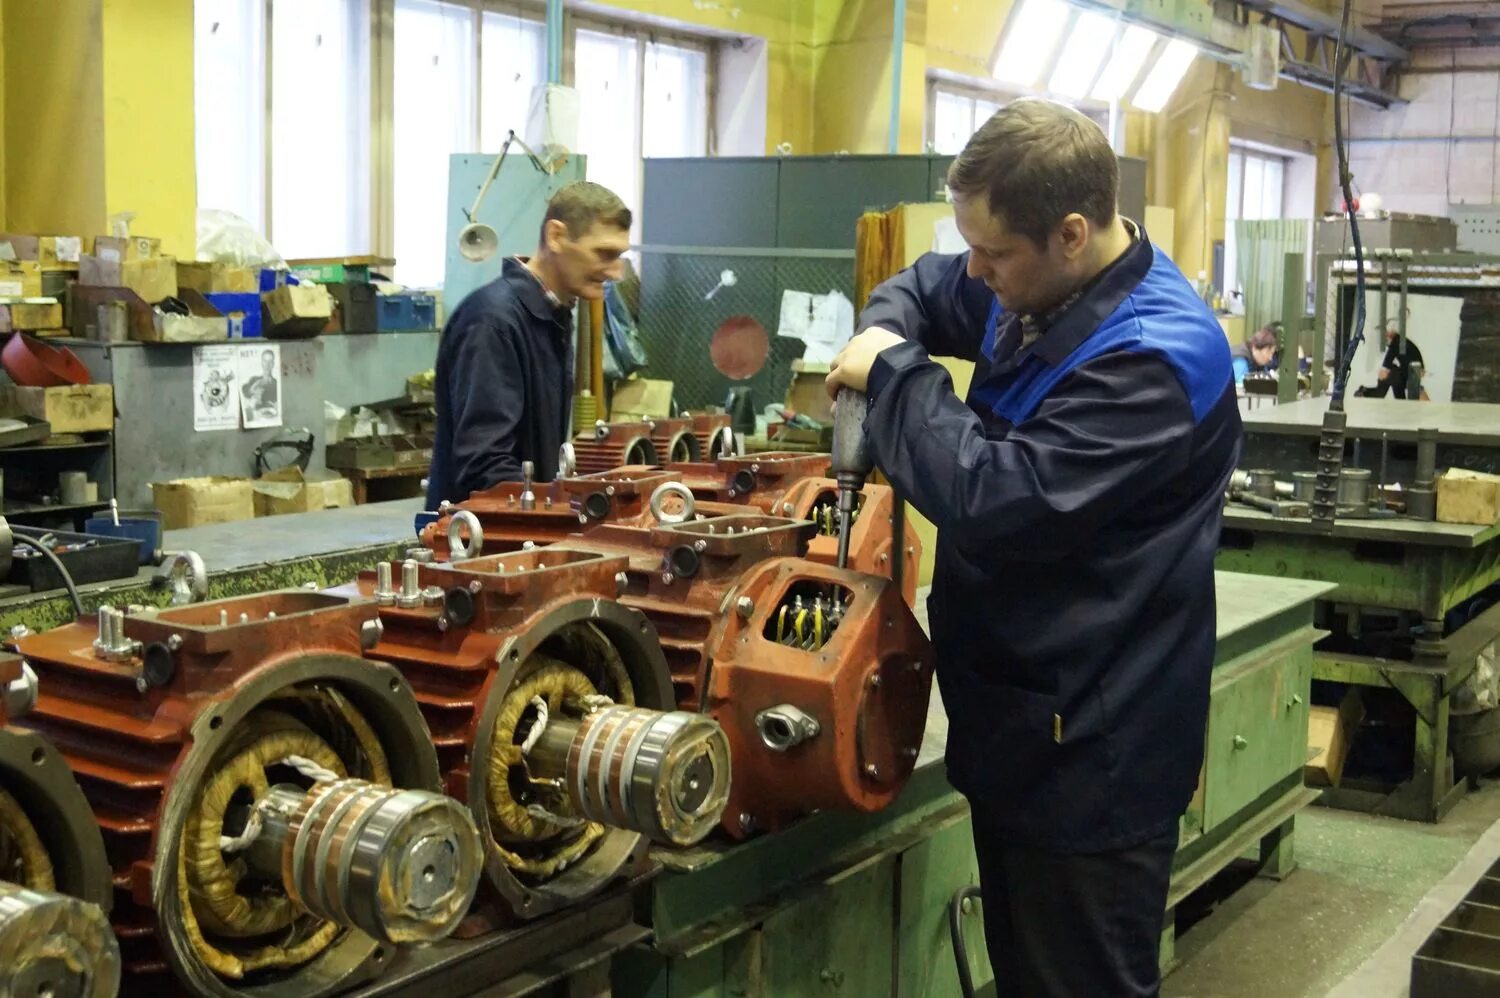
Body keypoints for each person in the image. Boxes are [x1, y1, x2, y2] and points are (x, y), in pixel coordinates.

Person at [824, 98, 1241, 996]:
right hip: (1022, 730)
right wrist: (882, 332)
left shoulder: (1152, 361)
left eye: (995, 254)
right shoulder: (1039, 281)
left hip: (1095, 757)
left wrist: (891, 373)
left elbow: (996, 497)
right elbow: (922, 288)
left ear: (1072, 232)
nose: (975, 271)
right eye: (971, 244)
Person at [427, 181, 631, 507]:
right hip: (478, 542)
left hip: (521, 534)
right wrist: (566, 509)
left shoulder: (552, 314)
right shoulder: (493, 323)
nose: (617, 271)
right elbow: (485, 467)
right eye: (604, 254)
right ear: (556, 236)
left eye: (619, 256)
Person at [1360, 315, 1425, 399]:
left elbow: (1387, 361)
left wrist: (1384, 371)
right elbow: (1388, 362)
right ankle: (1364, 391)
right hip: (1408, 372)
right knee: (1393, 384)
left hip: (1411, 371)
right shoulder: (1398, 342)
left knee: (1389, 386)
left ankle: (1364, 391)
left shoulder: (1397, 343)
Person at [242, 349, 279, 416]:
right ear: (262, 363)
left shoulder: (277, 383)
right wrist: (252, 389)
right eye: (265, 361)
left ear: (273, 364)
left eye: (270, 361)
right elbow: (244, 390)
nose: (267, 364)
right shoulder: (254, 379)